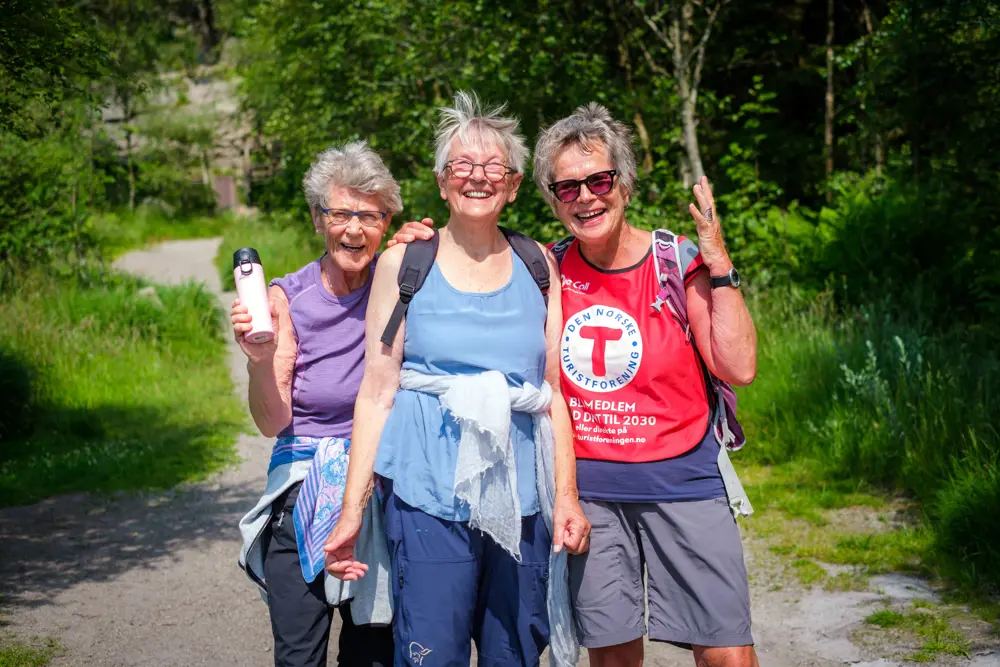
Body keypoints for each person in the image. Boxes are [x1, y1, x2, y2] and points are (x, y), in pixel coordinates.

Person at [391, 103, 760, 667]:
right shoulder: (549, 267)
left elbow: (738, 366)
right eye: (567, 188)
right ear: (549, 197)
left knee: (726, 652)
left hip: (683, 479)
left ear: (625, 183)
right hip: (591, 492)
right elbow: (472, 267)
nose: (585, 197)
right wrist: (418, 237)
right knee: (611, 657)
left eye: (599, 179)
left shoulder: (675, 260)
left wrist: (720, 263)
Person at [323, 92, 591, 667]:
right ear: (442, 182)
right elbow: (376, 390)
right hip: (425, 497)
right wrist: (352, 509)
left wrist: (565, 497)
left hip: (521, 499)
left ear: (515, 184)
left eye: (493, 167)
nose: (478, 178)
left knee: (513, 654)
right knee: (430, 655)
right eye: (462, 167)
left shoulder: (540, 267)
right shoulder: (403, 264)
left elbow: (553, 395)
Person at [235, 141, 397, 667]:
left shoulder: (403, 283)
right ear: (317, 218)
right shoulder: (288, 299)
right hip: (302, 493)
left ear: (387, 220)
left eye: (369, 215)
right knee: (299, 653)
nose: (354, 229)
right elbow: (272, 421)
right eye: (340, 213)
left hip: (382, 488)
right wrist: (259, 360)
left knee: (373, 653)